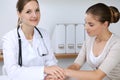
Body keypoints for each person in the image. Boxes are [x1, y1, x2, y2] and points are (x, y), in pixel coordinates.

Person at [2, 0, 65, 80]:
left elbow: (51, 62)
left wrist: (52, 74)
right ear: (19, 14)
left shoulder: (44, 34)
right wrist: (44, 70)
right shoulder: (9, 38)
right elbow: (13, 72)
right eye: (28, 12)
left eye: (37, 10)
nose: (35, 15)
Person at [65, 3, 120, 80]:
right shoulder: (89, 41)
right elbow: (76, 65)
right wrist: (60, 75)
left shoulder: (117, 44)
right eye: (86, 23)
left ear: (105, 24)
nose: (85, 27)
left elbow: (97, 75)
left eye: (91, 25)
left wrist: (66, 72)